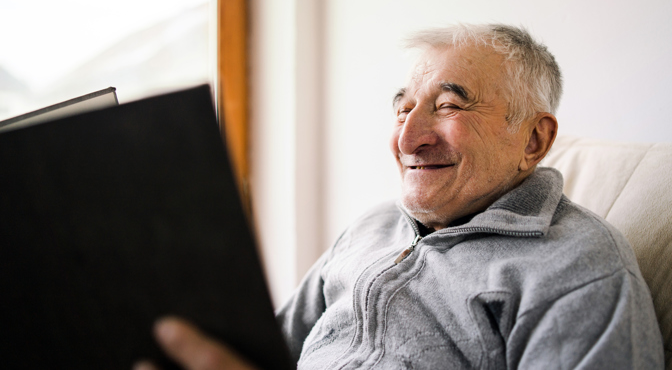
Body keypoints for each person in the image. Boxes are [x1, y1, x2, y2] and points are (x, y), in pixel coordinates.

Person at [135, 24, 664, 369]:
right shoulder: (372, 228)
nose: (409, 139)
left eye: (450, 106)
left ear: (533, 140)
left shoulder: (579, 267)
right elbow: (267, 352)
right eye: (403, 108)